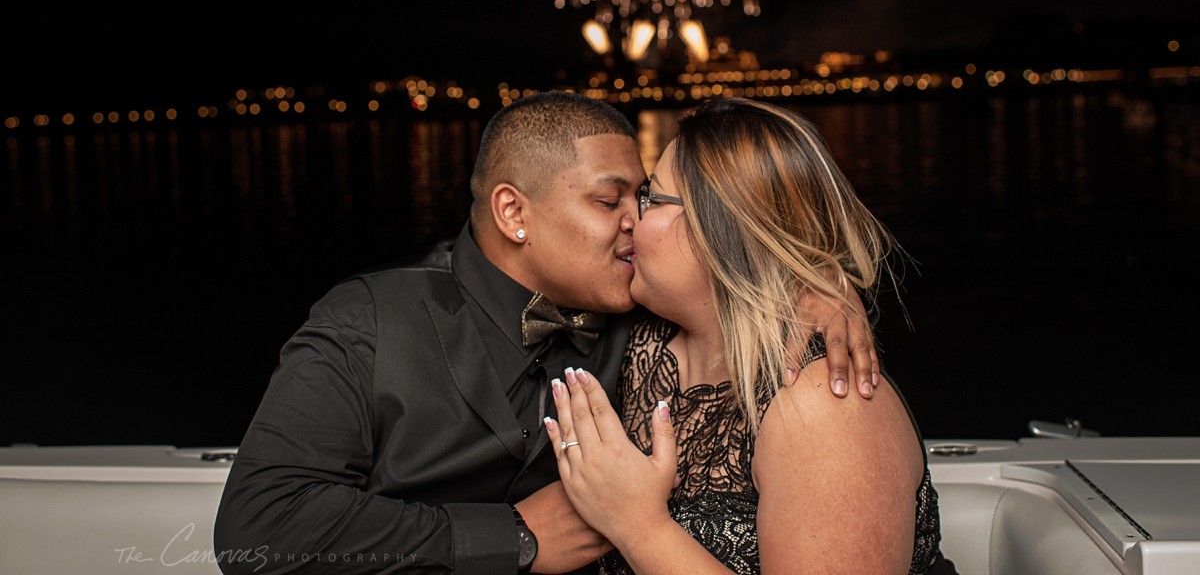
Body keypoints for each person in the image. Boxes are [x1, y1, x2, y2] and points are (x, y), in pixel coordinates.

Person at [213, 91, 878, 575]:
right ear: (513, 212)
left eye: (645, 198)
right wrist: (515, 537)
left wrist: (819, 289)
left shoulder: (644, 318)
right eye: (608, 200)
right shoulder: (370, 322)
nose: (634, 222)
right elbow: (260, 527)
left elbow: (738, 265)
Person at [545, 97, 959, 574]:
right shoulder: (639, 337)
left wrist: (637, 525)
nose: (632, 220)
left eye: (651, 198)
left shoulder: (826, 404)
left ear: (720, 228)